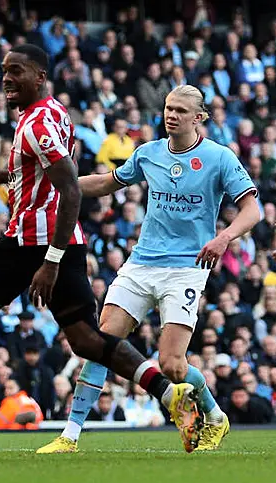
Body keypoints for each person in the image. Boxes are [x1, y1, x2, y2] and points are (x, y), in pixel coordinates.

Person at [0, 45, 201, 458]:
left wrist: (49, 262)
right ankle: (168, 394)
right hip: (62, 239)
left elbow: (70, 188)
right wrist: (2, 175)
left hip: (31, 241)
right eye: (4, 71)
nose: (6, 79)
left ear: (39, 76)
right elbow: (43, 171)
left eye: (15, 72)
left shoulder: (37, 124)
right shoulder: (53, 112)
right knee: (87, 341)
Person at [37, 85, 260, 454]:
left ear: (199, 118)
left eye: (180, 111)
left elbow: (253, 209)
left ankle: (214, 416)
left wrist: (225, 237)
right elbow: (108, 183)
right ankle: (70, 436)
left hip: (187, 269)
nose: (171, 115)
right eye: (168, 108)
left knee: (172, 365)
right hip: (141, 263)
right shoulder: (148, 153)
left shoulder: (219, 158)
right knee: (101, 342)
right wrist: (58, 184)